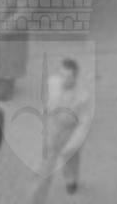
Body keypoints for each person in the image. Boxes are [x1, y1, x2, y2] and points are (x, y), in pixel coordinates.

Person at [30, 56, 94, 202]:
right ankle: (37, 196)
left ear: (75, 77)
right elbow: (46, 100)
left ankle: (71, 180)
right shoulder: (52, 83)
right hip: (54, 127)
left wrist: (72, 146)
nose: (63, 79)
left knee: (70, 160)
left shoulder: (83, 97)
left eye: (68, 76)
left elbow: (84, 124)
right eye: (61, 75)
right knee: (46, 163)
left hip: (70, 131)